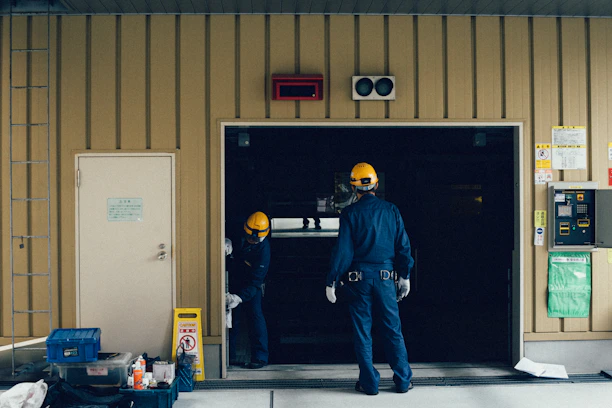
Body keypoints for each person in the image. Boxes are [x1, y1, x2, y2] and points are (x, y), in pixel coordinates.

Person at [325, 162, 414, 395]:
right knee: (393, 330)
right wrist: (404, 276)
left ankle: (369, 384)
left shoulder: (349, 214)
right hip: (386, 279)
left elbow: (343, 251)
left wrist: (331, 280)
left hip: (358, 281)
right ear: (376, 184)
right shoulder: (391, 210)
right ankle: (403, 380)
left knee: (363, 332)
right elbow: (403, 247)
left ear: (354, 189)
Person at [226, 211, 271, 369]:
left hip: (251, 283)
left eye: (255, 239)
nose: (251, 240)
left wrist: (238, 298)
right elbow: (221, 228)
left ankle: (260, 357)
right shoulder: (235, 225)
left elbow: (255, 283)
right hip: (232, 275)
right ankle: (227, 357)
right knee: (231, 319)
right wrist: (226, 240)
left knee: (255, 316)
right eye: (249, 236)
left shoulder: (264, 252)